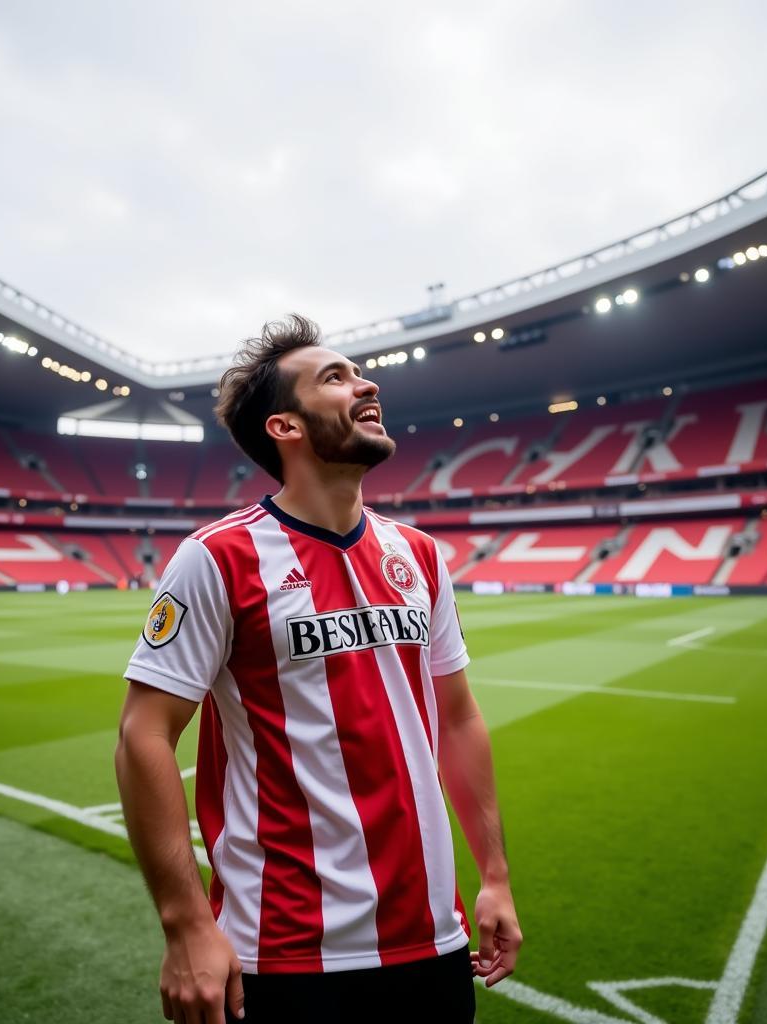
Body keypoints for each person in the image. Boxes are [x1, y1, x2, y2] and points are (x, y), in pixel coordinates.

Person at [116, 314, 521, 1023]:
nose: (367, 383)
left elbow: (457, 719)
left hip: (433, 939)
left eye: (358, 371)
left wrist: (494, 876)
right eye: (334, 377)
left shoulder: (420, 556)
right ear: (286, 428)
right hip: (286, 950)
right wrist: (184, 925)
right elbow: (143, 736)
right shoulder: (218, 558)